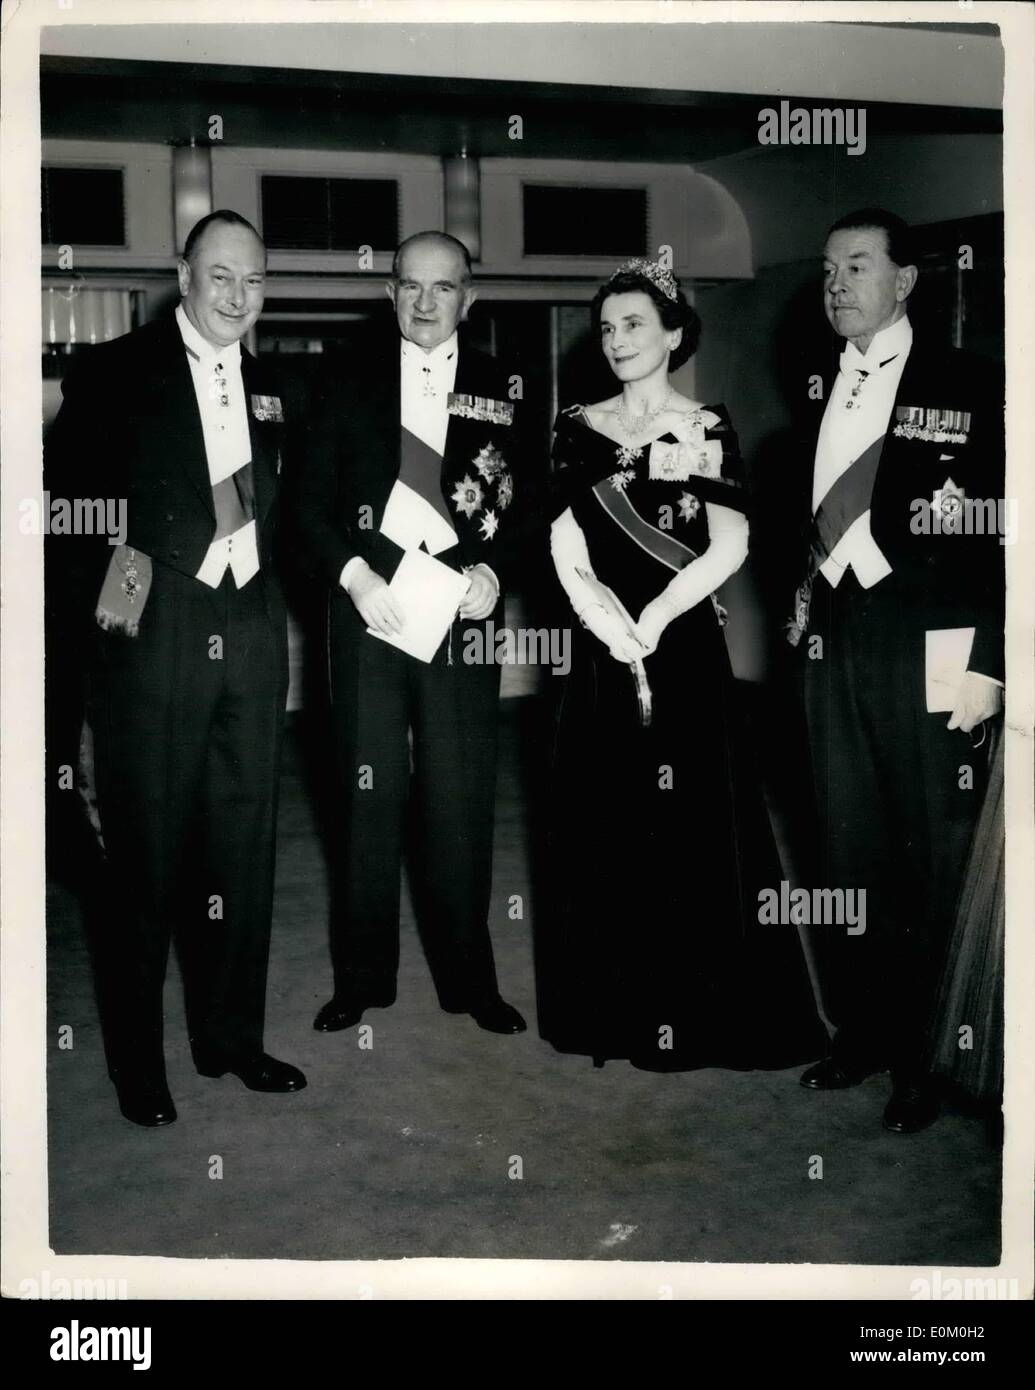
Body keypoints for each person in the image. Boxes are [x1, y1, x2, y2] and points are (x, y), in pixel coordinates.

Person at [44, 210, 306, 1127]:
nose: (239, 297)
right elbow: (70, 530)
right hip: (155, 632)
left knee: (240, 848)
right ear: (183, 275)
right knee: (145, 862)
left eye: (255, 281)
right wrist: (103, 650)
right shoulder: (113, 369)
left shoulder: (274, 385)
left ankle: (229, 1040)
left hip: (251, 630)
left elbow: (285, 515)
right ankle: (137, 1067)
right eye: (221, 277)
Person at [536, 258, 825, 1071]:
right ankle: (614, 1010)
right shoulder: (575, 424)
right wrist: (601, 615)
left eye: (634, 325)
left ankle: (699, 1010)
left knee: (694, 827)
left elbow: (730, 540)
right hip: (600, 650)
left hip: (681, 646)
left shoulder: (706, 428)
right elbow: (563, 536)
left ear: (672, 335)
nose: (617, 340)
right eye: (606, 327)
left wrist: (656, 617)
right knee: (604, 822)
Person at [788, 209, 1004, 1133]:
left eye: (858, 267)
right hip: (835, 641)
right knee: (844, 845)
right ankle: (861, 1031)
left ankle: (925, 1056)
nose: (837, 285)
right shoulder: (814, 390)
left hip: (931, 649)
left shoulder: (973, 382)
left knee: (926, 857)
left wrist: (990, 667)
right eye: (830, 269)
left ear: (905, 281)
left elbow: (1008, 538)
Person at [293, 231, 526, 1036]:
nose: (426, 303)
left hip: (460, 614)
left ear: (470, 296)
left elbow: (528, 506)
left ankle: (471, 982)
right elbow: (305, 506)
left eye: (444, 287)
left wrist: (496, 574)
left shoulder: (503, 385)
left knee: (459, 797)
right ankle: (361, 980)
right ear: (390, 292)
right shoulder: (340, 378)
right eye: (410, 287)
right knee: (367, 796)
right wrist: (354, 579)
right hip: (370, 612)